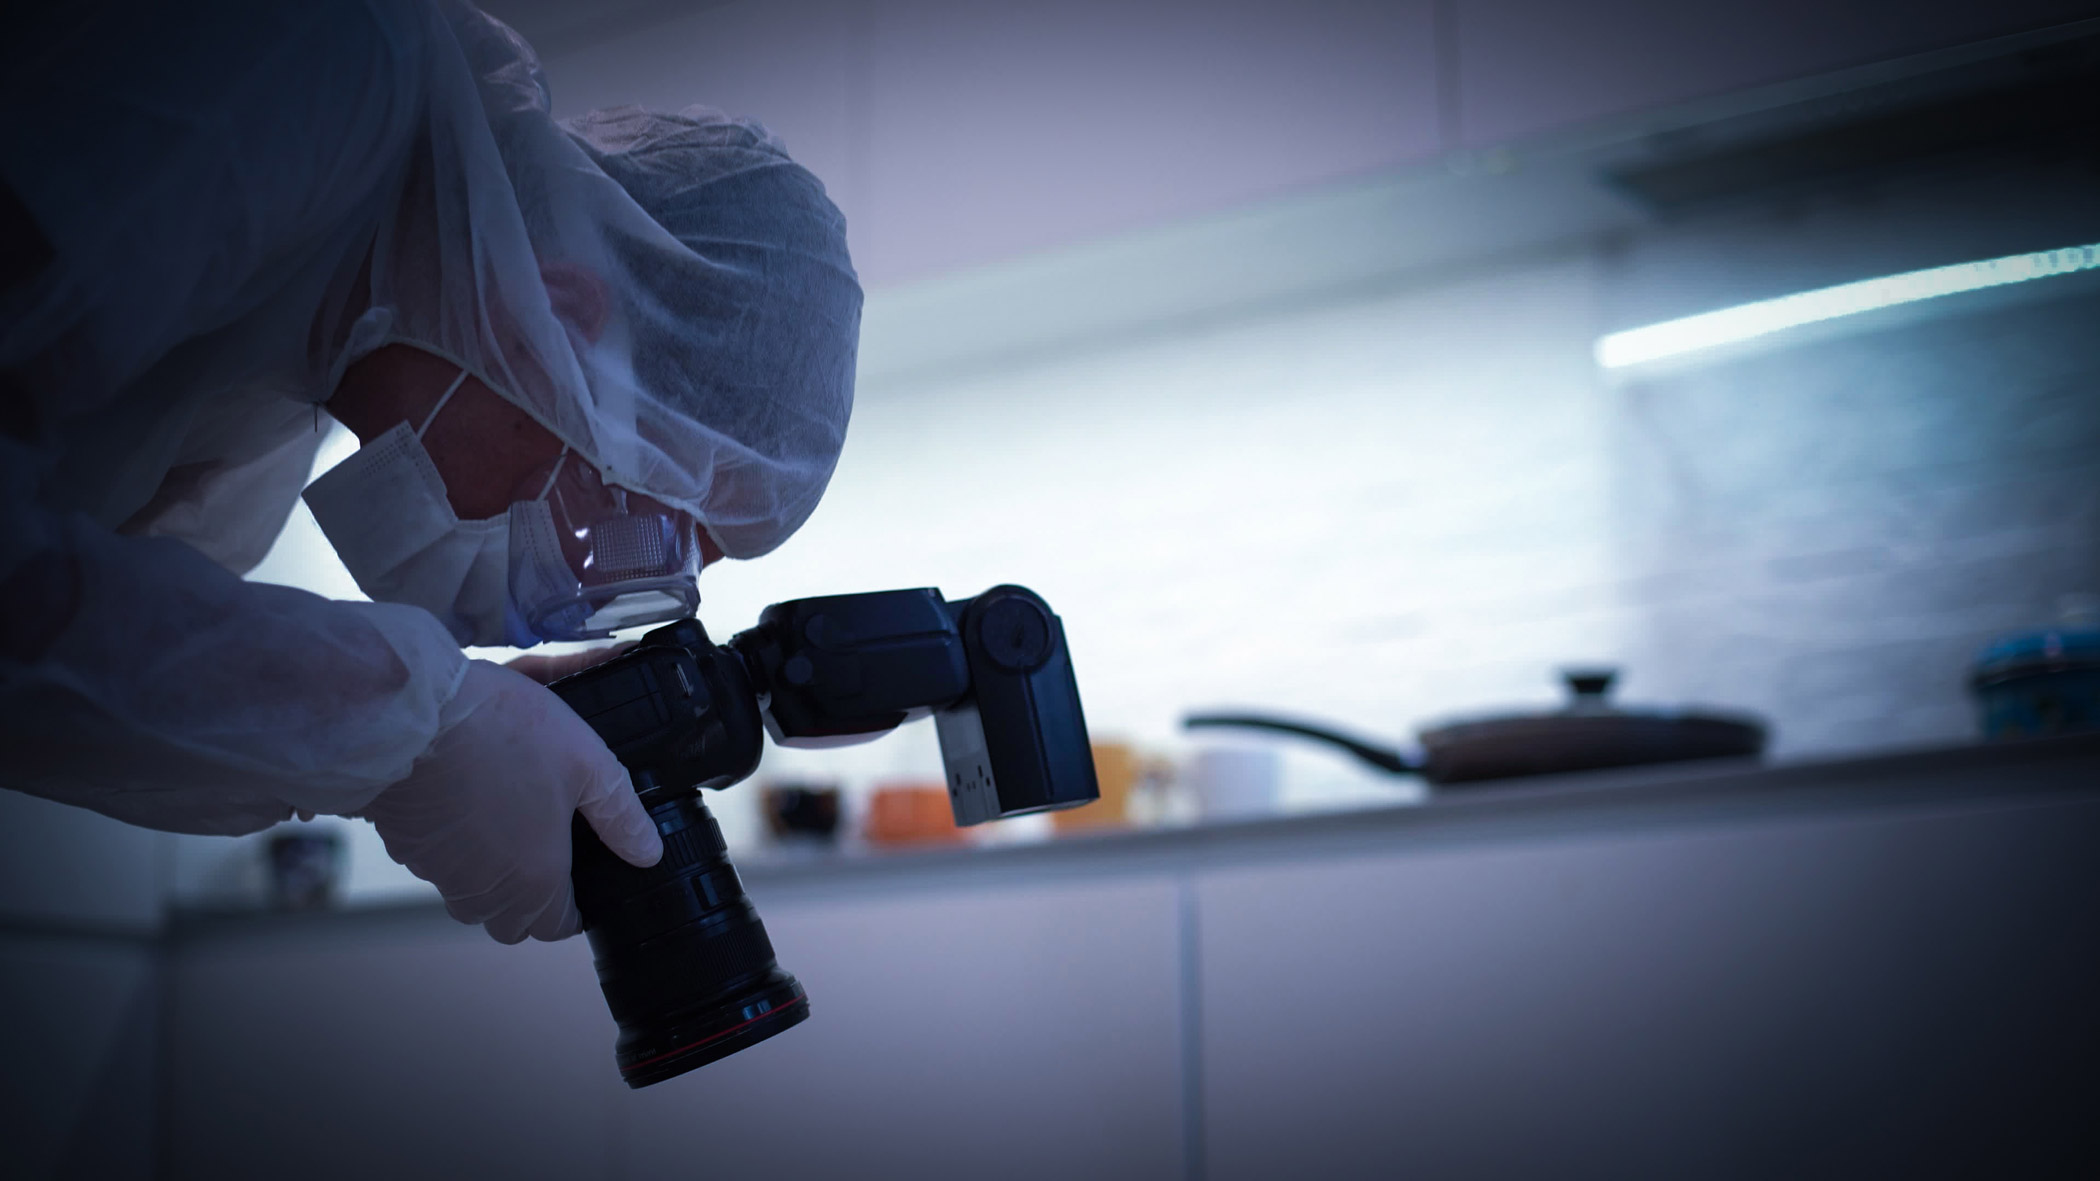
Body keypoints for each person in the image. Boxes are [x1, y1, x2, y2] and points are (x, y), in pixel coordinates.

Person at [0, 0, 862, 943]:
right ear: (561, 325)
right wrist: (407, 724)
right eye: (633, 541)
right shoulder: (295, 60)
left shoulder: (275, 386)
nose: (582, 597)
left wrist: (419, 732)